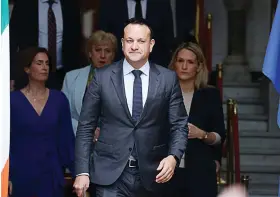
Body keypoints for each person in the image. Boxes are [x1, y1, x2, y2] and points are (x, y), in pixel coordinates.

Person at [73, 18, 188, 197]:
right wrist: (82, 171)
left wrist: (173, 157)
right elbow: (86, 126)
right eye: (130, 40)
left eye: (141, 41)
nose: (134, 46)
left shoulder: (167, 79)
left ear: (151, 45)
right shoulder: (102, 77)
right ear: (122, 43)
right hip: (109, 174)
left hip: (153, 174)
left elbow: (179, 124)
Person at [10, 47, 75, 197]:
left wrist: (78, 174)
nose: (44, 67)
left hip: (51, 176)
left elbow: (67, 141)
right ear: (27, 68)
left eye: (47, 63)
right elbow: (6, 142)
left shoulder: (59, 99)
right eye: (39, 63)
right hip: (21, 176)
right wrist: (6, 176)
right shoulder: (12, 101)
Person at [166, 42, 226, 197]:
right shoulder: (161, 94)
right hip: (166, 173)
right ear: (174, 64)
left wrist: (202, 134)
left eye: (190, 62)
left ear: (199, 67)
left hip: (200, 173)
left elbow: (220, 137)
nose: (184, 66)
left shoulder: (210, 95)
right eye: (180, 61)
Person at [9, 0, 82, 90]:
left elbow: (77, 40)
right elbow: (12, 39)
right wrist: (11, 74)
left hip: (63, 75)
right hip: (29, 75)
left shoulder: (70, 5)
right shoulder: (24, 4)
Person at [62, 30, 117, 136]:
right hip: (78, 138)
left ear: (113, 55)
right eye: (98, 50)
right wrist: (87, 131)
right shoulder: (71, 77)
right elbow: (63, 114)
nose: (102, 55)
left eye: (108, 51)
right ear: (90, 53)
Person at [97, 0, 174, 67]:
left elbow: (168, 41)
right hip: (117, 69)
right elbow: (102, 39)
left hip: (155, 69)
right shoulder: (109, 3)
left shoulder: (162, 3)